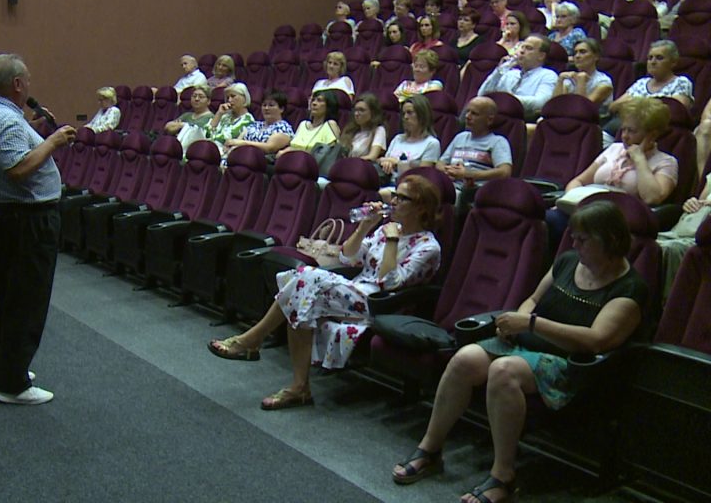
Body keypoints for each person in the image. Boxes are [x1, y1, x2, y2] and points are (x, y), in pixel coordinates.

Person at [392, 200, 646, 503]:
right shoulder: (567, 262)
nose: (574, 244)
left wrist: (532, 324)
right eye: (573, 237)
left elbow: (596, 340)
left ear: (611, 241)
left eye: (583, 239)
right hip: (527, 344)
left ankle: (503, 476)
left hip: (572, 364)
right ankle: (431, 449)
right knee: (464, 359)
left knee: (504, 370)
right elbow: (533, 299)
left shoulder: (629, 289)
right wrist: (517, 324)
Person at [206, 175, 442, 409]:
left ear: (421, 207)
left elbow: (390, 282)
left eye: (403, 198)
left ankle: (254, 342)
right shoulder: (384, 230)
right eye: (395, 195)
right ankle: (297, 386)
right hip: (354, 293)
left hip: (381, 305)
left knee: (306, 279)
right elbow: (346, 256)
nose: (394, 201)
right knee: (302, 297)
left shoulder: (428, 247)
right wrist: (364, 227)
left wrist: (392, 241)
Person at [0, 53, 77, 406]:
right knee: (25, 299)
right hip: (25, 220)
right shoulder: (8, 121)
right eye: (26, 79)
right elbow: (16, 168)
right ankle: (13, 384)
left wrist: (37, 138)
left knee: (1, 294)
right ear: (16, 84)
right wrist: (54, 142)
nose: (29, 84)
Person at [566, 97, 678, 206]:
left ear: (652, 135)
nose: (624, 136)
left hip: (623, 217)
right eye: (623, 129)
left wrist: (639, 159)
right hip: (588, 209)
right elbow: (578, 181)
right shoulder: (614, 148)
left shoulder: (666, 162)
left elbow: (652, 198)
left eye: (631, 131)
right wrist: (570, 199)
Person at [606, 40, 693, 135]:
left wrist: (635, 103)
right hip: (626, 128)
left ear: (673, 62)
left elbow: (676, 110)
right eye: (650, 58)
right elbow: (613, 107)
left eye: (659, 58)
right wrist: (652, 104)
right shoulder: (641, 82)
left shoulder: (681, 82)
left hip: (659, 132)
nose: (653, 62)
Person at [436, 96, 513, 189]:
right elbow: (440, 164)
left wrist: (468, 174)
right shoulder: (460, 137)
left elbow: (505, 172)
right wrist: (449, 171)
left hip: (474, 191)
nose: (467, 116)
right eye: (467, 111)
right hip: (450, 185)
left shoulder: (498, 141)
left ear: (489, 120)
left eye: (474, 114)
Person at [478, 34, 558, 121]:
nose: (522, 51)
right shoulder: (510, 73)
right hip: (497, 115)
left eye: (529, 48)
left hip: (522, 119)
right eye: (521, 47)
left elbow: (540, 102)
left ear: (541, 56)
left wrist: (507, 100)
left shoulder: (548, 75)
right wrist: (499, 70)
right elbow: (482, 94)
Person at [657, 174, 711, 301]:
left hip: (704, 237)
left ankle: (669, 305)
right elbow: (699, 202)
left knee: (671, 249)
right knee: (645, 244)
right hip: (688, 225)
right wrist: (691, 203)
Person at [379, 94, 442, 179]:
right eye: (403, 113)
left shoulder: (432, 143)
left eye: (410, 113)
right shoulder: (398, 138)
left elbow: (423, 175)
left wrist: (397, 163)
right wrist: (383, 162)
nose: (405, 117)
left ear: (422, 115)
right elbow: (384, 161)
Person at [552, 38, 614, 121]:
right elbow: (554, 107)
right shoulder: (569, 78)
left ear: (596, 56)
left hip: (592, 124)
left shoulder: (604, 82)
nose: (577, 56)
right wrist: (560, 80)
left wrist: (581, 81)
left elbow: (582, 110)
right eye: (575, 53)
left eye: (582, 52)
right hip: (567, 118)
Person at [222, 90, 294, 157]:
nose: (266, 108)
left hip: (259, 164)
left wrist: (242, 143)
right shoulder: (255, 124)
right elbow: (237, 141)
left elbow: (269, 148)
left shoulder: (283, 128)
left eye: (271, 105)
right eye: (264, 105)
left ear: (281, 109)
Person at [278, 91, 341, 157]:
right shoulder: (303, 124)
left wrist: (293, 152)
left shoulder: (330, 124)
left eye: (319, 100)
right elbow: (292, 146)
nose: (314, 103)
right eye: (313, 100)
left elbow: (331, 153)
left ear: (329, 105)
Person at [206, 82, 254, 155]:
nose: (229, 100)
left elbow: (224, 139)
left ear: (244, 98)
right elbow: (207, 133)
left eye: (233, 96)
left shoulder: (248, 120)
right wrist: (219, 113)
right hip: (211, 150)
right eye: (228, 97)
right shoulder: (225, 116)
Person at [338, 92, 387, 161]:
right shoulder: (350, 130)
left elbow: (372, 157)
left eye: (361, 110)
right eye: (356, 110)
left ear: (373, 112)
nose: (356, 114)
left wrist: (349, 162)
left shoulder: (379, 130)